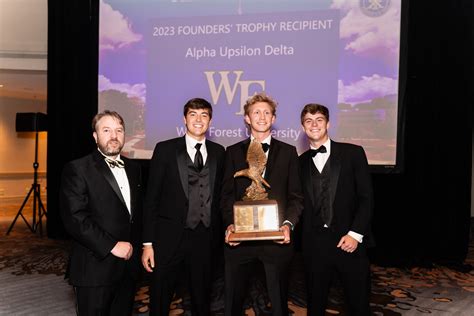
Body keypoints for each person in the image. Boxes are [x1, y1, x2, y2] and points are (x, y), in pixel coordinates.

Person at [221, 92, 304, 316]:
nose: (261, 116)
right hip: (240, 240)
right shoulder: (232, 152)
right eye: (256, 112)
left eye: (267, 112)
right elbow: (226, 196)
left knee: (278, 304)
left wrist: (288, 224)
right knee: (232, 304)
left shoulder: (288, 152)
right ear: (247, 118)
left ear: (273, 119)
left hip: (276, 241)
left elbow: (296, 197)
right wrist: (230, 225)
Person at [141, 98, 225, 316]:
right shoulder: (165, 149)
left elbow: (222, 197)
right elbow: (151, 199)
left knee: (201, 299)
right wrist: (148, 243)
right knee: (160, 298)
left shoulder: (219, 152)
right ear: (184, 119)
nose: (198, 120)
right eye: (193, 114)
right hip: (168, 239)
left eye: (204, 115)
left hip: (205, 239)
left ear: (210, 120)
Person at [60, 110, 143, 315]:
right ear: (95, 136)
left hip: (127, 267)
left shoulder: (134, 168)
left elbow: (135, 215)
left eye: (119, 130)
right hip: (95, 267)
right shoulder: (78, 168)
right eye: (106, 130)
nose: (114, 136)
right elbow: (75, 218)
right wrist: (112, 246)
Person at [298, 103, 374, 316]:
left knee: (358, 304)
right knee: (315, 305)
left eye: (319, 120)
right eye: (309, 121)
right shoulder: (299, 163)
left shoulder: (353, 153)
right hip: (315, 246)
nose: (314, 125)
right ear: (303, 127)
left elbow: (366, 198)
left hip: (349, 242)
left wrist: (355, 234)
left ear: (328, 124)